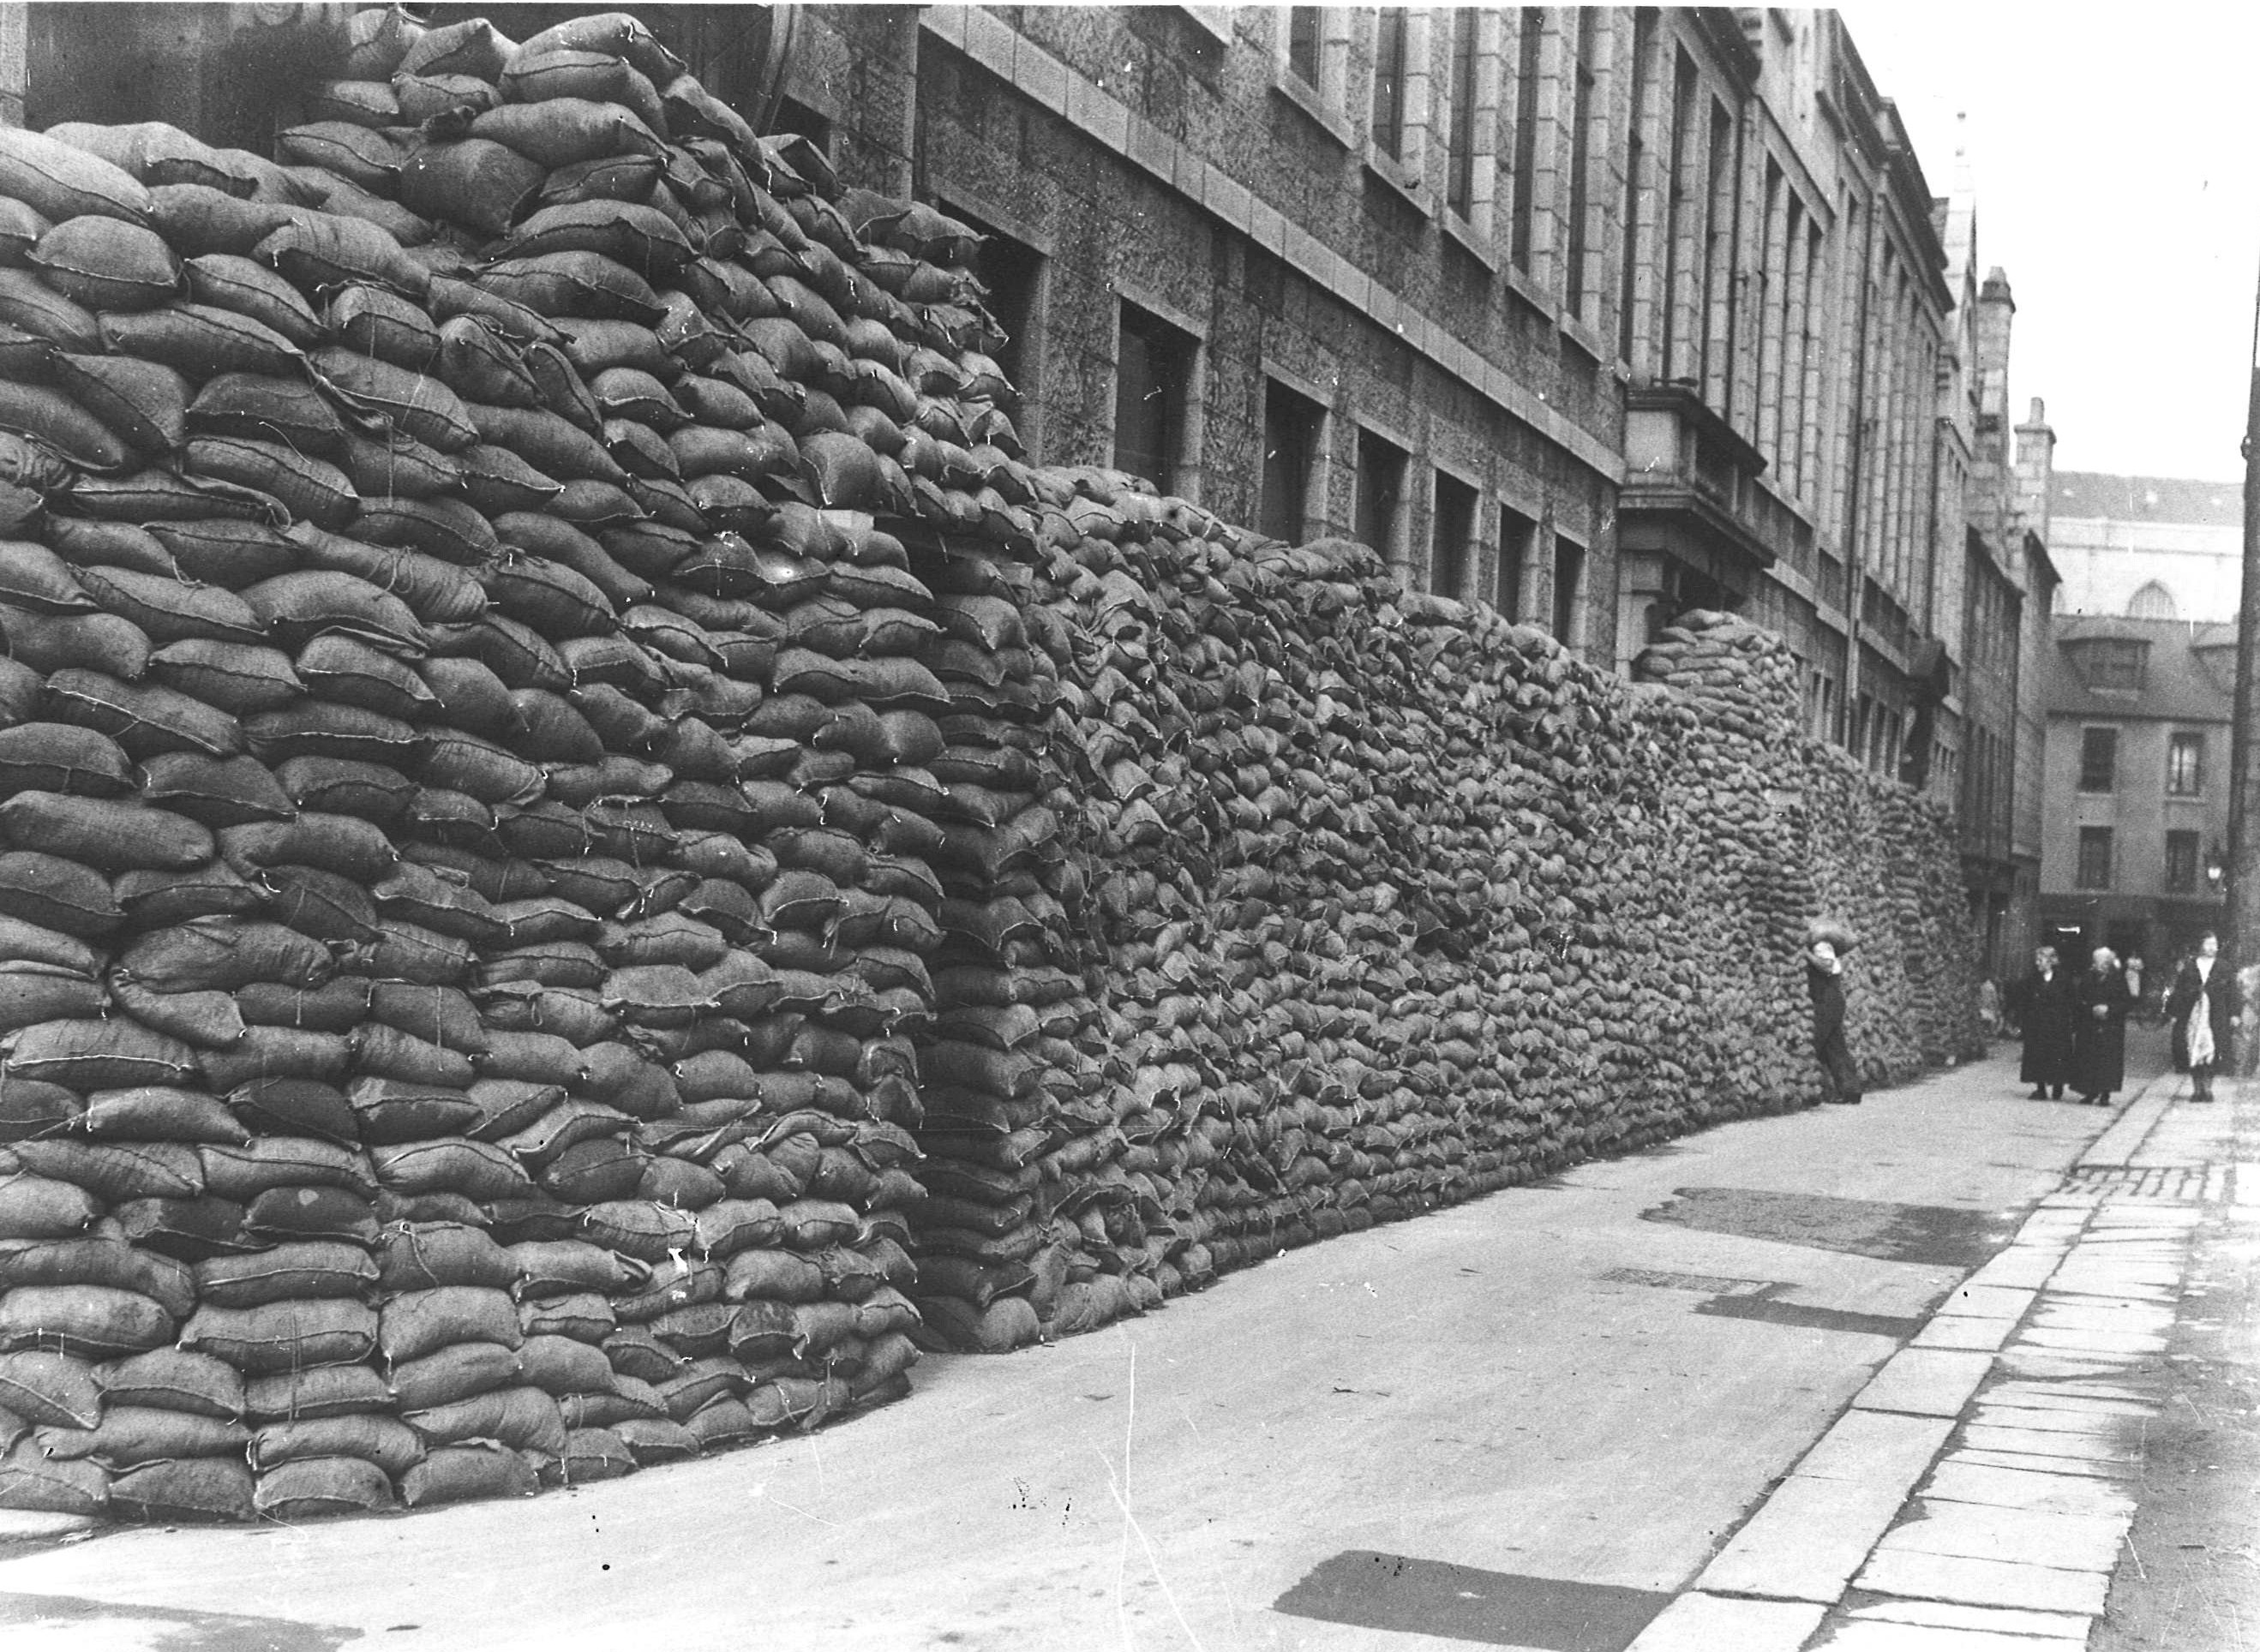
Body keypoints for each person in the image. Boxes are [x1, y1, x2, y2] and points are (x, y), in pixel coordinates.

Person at [2166, 931, 2239, 1103]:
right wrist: (2175, 1013)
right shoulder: (2190, 967)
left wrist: (2234, 1014)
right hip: (2192, 1016)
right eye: (2208, 944)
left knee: (2212, 1050)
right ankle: (2197, 1089)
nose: (2212, 948)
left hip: (2215, 1016)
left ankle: (2208, 1089)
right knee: (2193, 1050)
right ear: (2200, 945)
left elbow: (2232, 992)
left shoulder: (2224, 967)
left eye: (2214, 944)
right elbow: (2179, 991)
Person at [2008, 944, 2076, 1099]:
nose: (2037, 963)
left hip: (2057, 1024)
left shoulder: (2064, 979)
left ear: (2051, 961)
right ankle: (2041, 1088)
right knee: (2037, 1055)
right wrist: (2021, 1022)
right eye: (2036, 960)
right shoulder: (2032, 980)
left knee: (2057, 1055)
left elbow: (2072, 1001)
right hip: (2037, 1024)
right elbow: (2023, 1001)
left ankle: (2057, 1085)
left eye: (2041, 960)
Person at [2071, 947, 2134, 1106]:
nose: (2100, 965)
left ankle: (2105, 1093)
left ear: (2109, 963)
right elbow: (2078, 999)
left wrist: (2110, 1009)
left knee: (2108, 1059)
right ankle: (2090, 1092)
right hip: (2090, 1023)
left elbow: (2126, 1002)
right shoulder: (2087, 977)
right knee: (2088, 1057)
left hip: (2111, 1025)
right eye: (2097, 961)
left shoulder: (2118, 979)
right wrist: (2091, 1009)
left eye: (2103, 962)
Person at [1807, 940, 1861, 1105]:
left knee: (1818, 1043)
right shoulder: (1820, 945)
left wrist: (1806, 954)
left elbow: (1826, 966)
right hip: (1830, 1001)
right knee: (1836, 1046)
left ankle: (1814, 1090)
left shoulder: (1821, 946)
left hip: (1827, 1001)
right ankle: (1850, 1090)